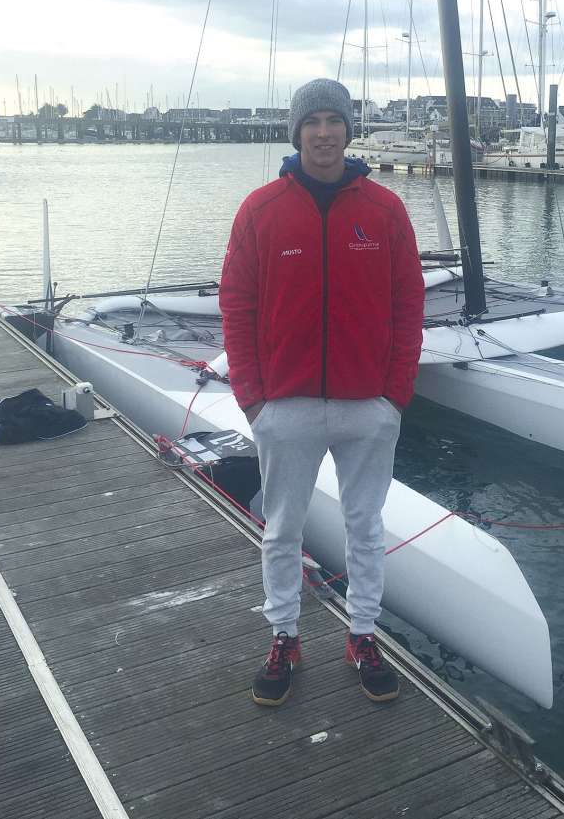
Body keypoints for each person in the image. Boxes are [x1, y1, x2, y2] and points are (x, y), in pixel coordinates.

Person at [220, 78, 425, 707]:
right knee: (282, 529)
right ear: (297, 131)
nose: (325, 132)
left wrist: (395, 395)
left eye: (335, 120)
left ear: (348, 129)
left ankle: (363, 634)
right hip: (287, 404)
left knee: (366, 526)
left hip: (369, 406)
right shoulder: (261, 210)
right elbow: (237, 303)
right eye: (314, 121)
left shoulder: (384, 210)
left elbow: (409, 303)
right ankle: (284, 634)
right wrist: (253, 397)